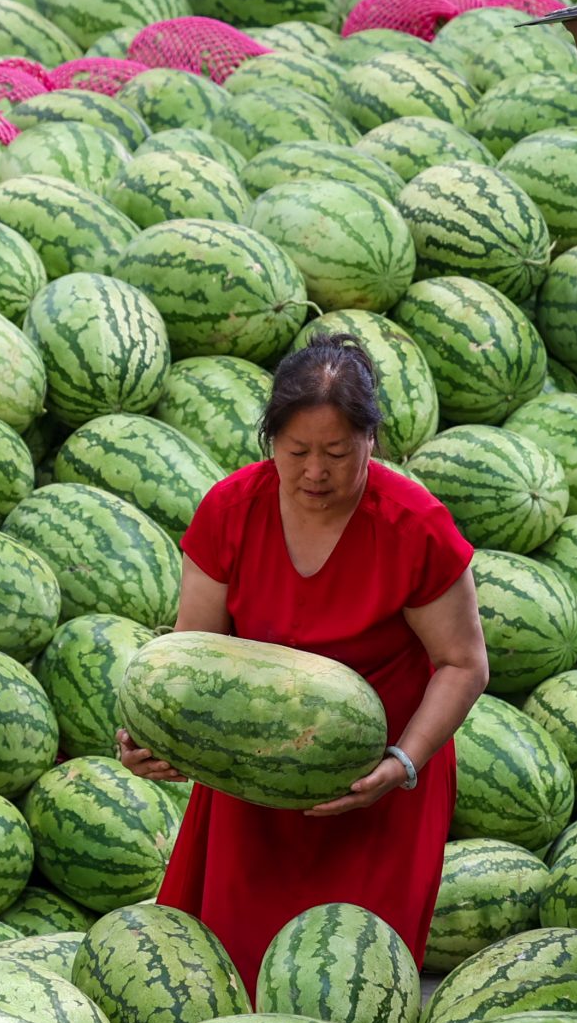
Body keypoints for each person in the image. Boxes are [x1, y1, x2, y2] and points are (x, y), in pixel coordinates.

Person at [118, 336, 489, 988]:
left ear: (371, 440)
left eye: (337, 452)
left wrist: (401, 763)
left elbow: (462, 663)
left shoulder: (413, 526)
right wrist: (153, 743)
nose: (316, 470)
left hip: (379, 790)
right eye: (296, 452)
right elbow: (185, 669)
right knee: (231, 979)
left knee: (350, 989)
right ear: (270, 441)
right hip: (252, 795)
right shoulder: (231, 511)